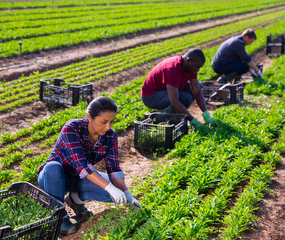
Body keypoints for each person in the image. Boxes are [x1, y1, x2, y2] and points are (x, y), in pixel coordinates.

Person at [37, 96, 140, 235]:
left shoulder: (110, 136)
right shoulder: (72, 129)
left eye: (111, 122)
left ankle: (75, 200)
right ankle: (59, 218)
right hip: (52, 178)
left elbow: (114, 169)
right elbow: (82, 165)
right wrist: (109, 187)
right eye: (104, 122)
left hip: (78, 178)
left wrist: (127, 194)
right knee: (53, 167)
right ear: (89, 117)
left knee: (117, 195)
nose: (108, 127)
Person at [141, 48, 216, 130]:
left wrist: (206, 114)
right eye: (197, 67)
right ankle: (158, 118)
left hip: (164, 91)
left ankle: (174, 117)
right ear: (188, 61)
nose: (197, 70)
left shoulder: (190, 67)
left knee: (192, 90)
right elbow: (175, 102)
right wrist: (193, 121)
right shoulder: (172, 68)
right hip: (151, 96)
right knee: (184, 99)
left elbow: (197, 92)